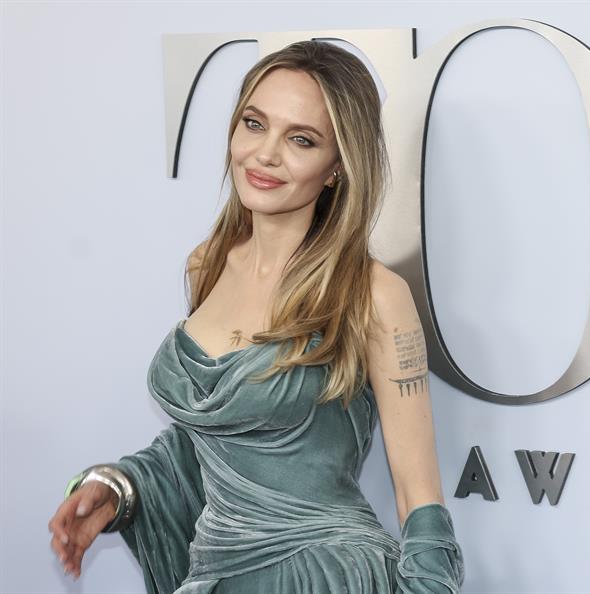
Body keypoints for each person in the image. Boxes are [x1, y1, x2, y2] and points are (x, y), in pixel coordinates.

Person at [46, 40, 465, 593]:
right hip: (216, 573)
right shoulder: (208, 265)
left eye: (301, 139)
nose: (265, 154)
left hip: (324, 576)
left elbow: (419, 497)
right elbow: (213, 443)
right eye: (253, 123)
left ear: (337, 166)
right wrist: (121, 486)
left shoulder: (372, 294)